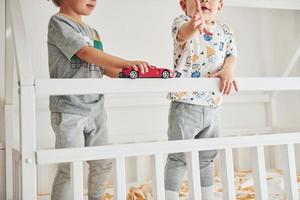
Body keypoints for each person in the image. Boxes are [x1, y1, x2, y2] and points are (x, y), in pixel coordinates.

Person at [48, 0, 149, 199]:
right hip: (69, 107)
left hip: (96, 109)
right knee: (70, 166)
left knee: (102, 162)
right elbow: (85, 53)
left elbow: (102, 66)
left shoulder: (93, 32)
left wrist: (128, 72)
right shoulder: (59, 23)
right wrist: (125, 61)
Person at [164, 0, 238, 199]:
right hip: (185, 102)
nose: (204, 1)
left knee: (206, 158)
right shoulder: (182, 21)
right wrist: (194, 23)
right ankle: (169, 196)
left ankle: (207, 195)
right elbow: (182, 34)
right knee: (178, 156)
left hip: (213, 104)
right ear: (183, 5)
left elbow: (231, 55)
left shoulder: (225, 29)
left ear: (220, 5)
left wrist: (229, 69)